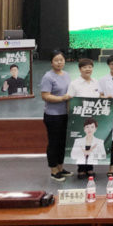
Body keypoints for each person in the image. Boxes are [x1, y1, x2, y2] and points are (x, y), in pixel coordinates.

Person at [40, 50, 73, 182]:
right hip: (53, 115)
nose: (59, 62)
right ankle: (53, 170)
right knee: (54, 143)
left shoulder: (67, 75)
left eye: (61, 60)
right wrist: (61, 99)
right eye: (56, 60)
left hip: (65, 114)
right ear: (51, 62)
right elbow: (45, 96)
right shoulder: (48, 77)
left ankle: (61, 167)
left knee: (62, 143)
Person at [67, 58, 103, 179]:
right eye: (85, 67)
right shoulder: (74, 84)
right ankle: (81, 168)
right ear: (80, 69)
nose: (88, 69)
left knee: (91, 141)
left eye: (90, 67)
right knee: (80, 142)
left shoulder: (96, 82)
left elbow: (100, 98)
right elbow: (69, 101)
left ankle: (90, 167)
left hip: (93, 118)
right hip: (79, 118)